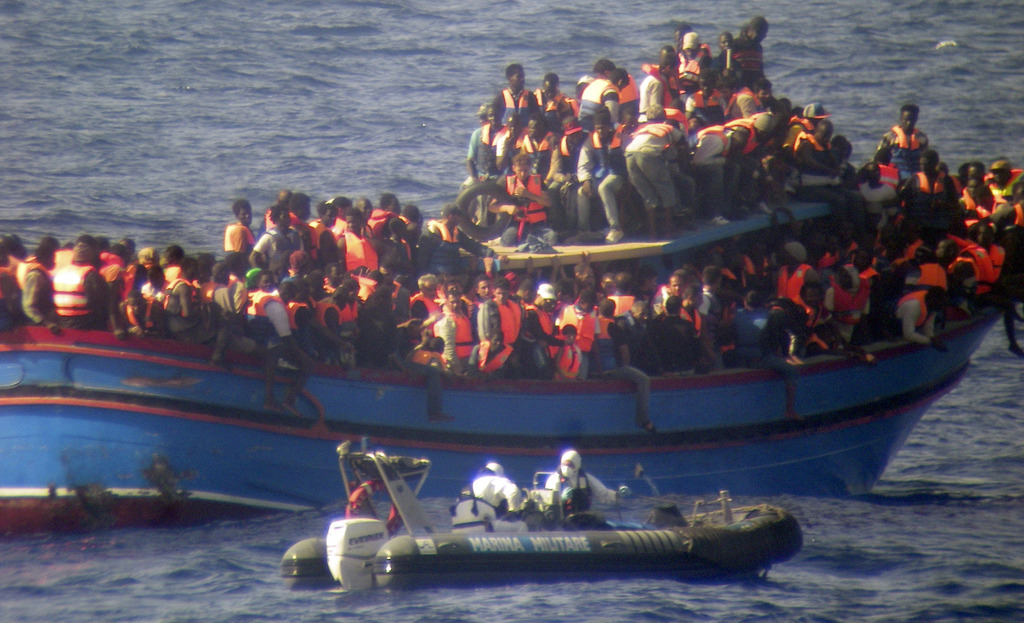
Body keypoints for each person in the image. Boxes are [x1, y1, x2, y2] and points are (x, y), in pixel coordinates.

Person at [577, 106, 626, 241]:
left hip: (618, 175)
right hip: (598, 176)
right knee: (581, 192)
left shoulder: (621, 137)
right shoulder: (590, 141)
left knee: (604, 187)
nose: (600, 131)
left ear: (609, 126)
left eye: (603, 128)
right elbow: (583, 163)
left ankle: (615, 228)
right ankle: (584, 230)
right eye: (597, 128)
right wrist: (586, 180)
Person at [495, 153, 557, 247]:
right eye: (520, 171)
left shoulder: (537, 181)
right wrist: (507, 208)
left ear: (530, 168)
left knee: (552, 237)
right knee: (507, 242)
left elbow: (548, 203)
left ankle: (528, 240)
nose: (523, 174)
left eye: (526, 170)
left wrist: (529, 195)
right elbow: (492, 206)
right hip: (516, 223)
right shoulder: (505, 181)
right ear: (513, 168)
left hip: (536, 224)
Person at [451, 462, 527, 533]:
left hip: (458, 530)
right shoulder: (496, 480)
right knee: (522, 526)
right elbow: (513, 491)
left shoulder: (468, 487)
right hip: (483, 527)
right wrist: (513, 511)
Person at [543, 450, 624, 516]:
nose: (567, 468)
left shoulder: (586, 479)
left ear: (577, 465)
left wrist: (618, 495)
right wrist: (561, 500)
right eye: (565, 465)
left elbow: (603, 494)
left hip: (582, 516)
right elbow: (548, 503)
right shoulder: (554, 480)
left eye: (570, 465)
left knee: (599, 517)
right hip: (562, 517)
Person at [875, 104, 928, 180]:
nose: (909, 123)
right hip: (895, 175)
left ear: (916, 119)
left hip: (915, 176)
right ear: (901, 118)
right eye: (906, 120)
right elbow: (879, 159)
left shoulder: (922, 138)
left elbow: (925, 159)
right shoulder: (889, 137)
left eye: (912, 120)